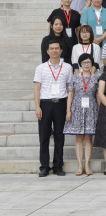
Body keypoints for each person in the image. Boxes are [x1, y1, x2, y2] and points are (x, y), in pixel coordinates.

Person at [34, 39, 73, 177]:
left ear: (61, 50)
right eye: (51, 48)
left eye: (57, 48)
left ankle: (58, 166)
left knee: (59, 136)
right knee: (44, 136)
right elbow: (37, 88)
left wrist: (68, 109)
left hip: (61, 104)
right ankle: (44, 166)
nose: (54, 50)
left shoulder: (67, 67)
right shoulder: (41, 68)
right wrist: (37, 107)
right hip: (45, 104)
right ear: (47, 51)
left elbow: (69, 88)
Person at [63, 53, 99, 176]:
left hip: (91, 109)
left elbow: (98, 95)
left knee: (88, 137)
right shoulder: (75, 77)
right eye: (84, 62)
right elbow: (70, 94)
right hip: (77, 109)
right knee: (79, 137)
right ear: (80, 64)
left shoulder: (96, 78)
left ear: (92, 64)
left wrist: (101, 111)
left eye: (89, 62)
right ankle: (79, 165)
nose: (86, 64)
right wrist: (68, 111)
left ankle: (87, 164)